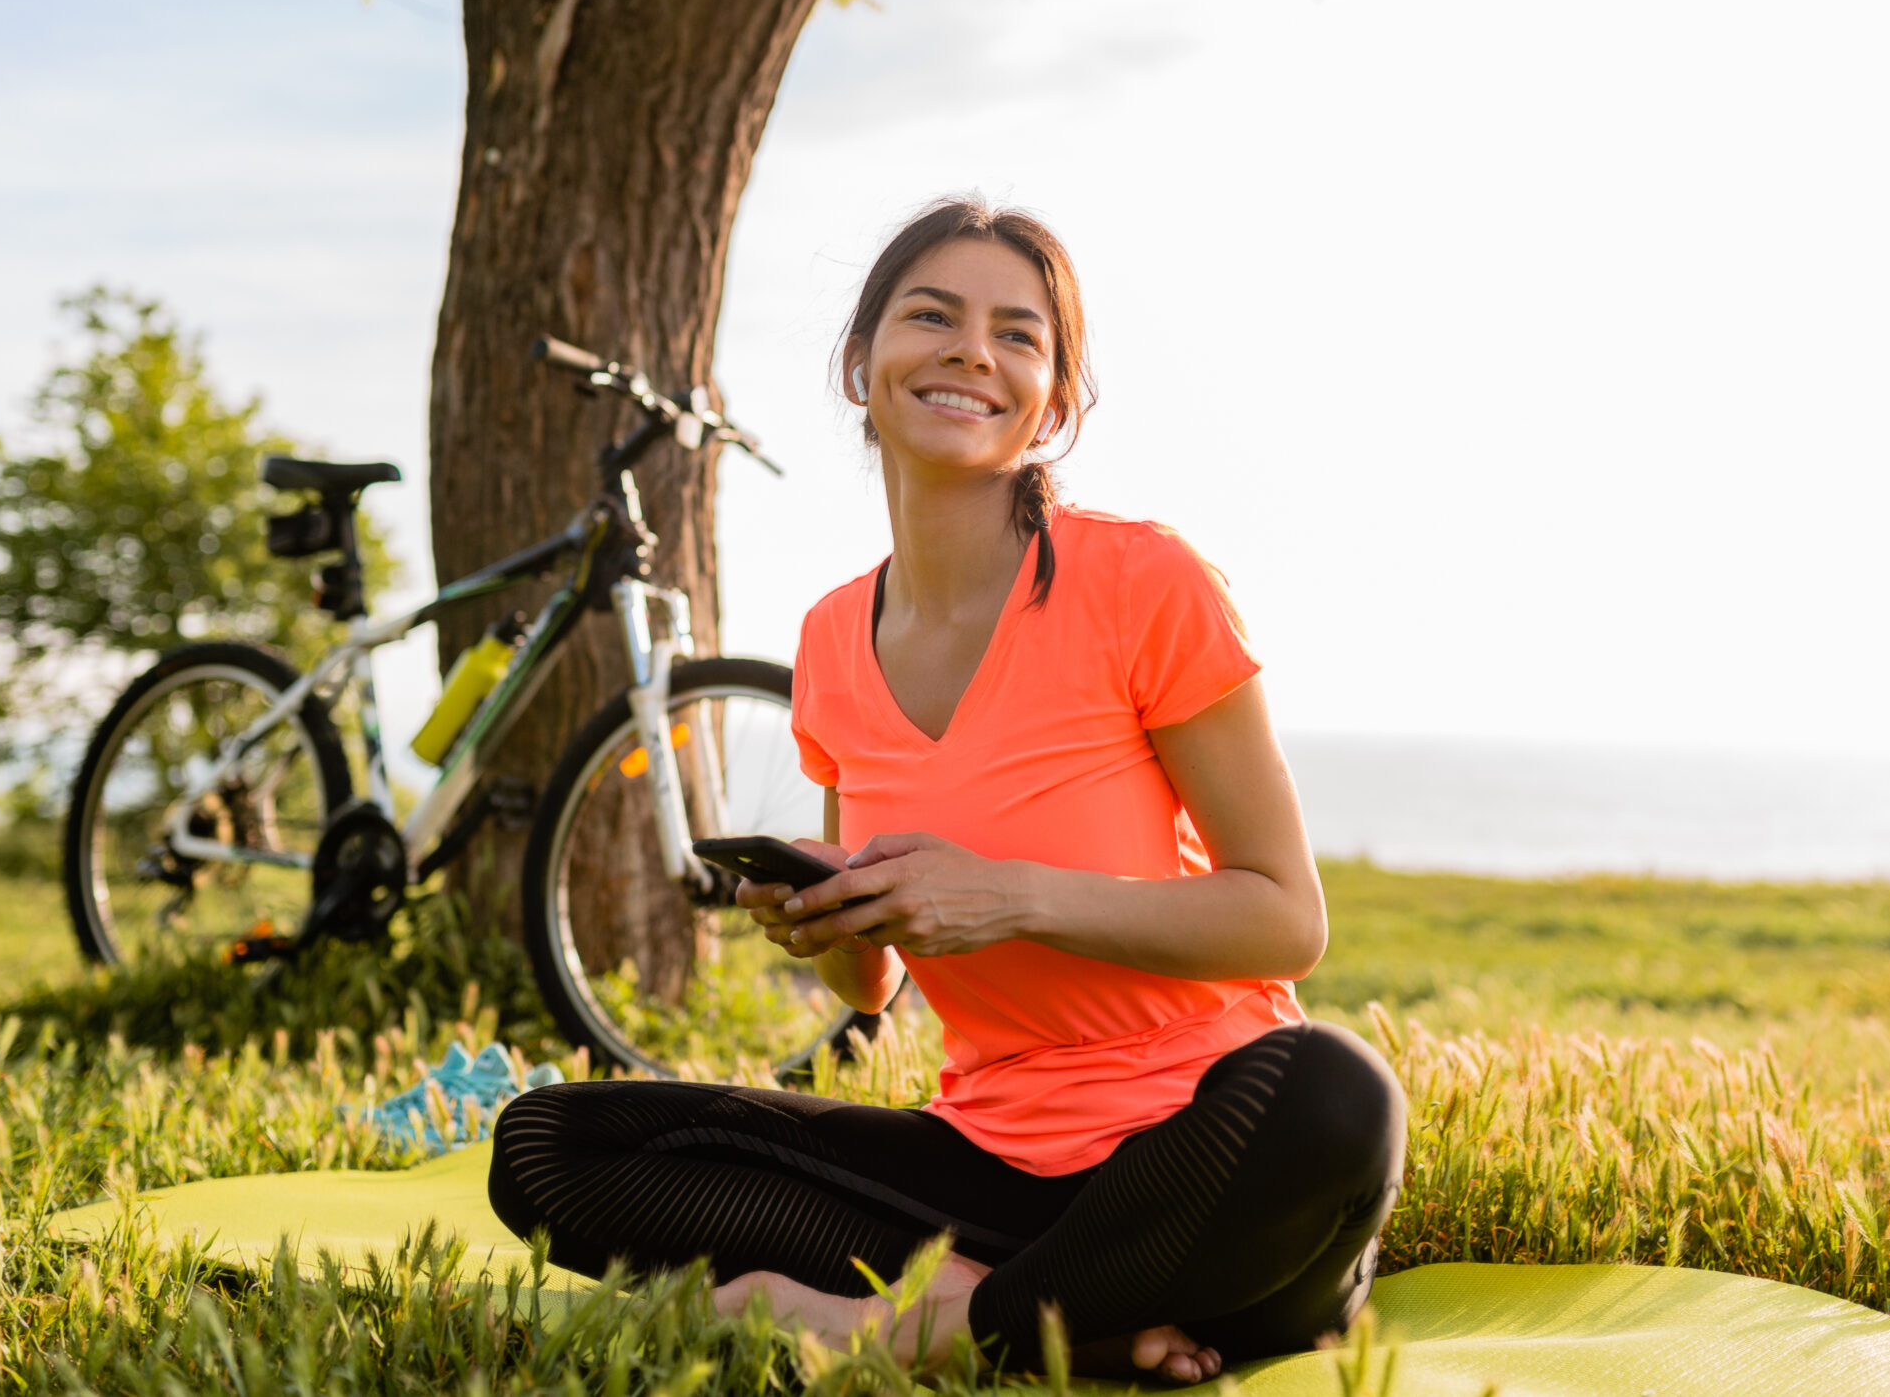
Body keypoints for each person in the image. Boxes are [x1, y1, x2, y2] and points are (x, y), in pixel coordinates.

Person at [487, 197, 1406, 1381]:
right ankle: (1063, 1328)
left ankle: (946, 1330)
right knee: (548, 1145)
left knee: (1338, 1091)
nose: (974, 350)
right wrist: (817, 916)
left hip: (1202, 1159)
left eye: (1019, 335)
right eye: (932, 316)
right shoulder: (829, 639)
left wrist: (1012, 897)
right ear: (860, 365)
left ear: (1055, 405)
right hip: (986, 1172)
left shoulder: (1144, 582)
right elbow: (865, 981)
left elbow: (1285, 918)